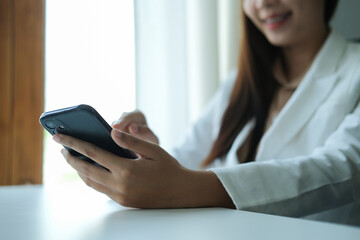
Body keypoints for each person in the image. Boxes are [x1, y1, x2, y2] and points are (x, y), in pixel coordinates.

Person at [53, 0, 360, 225]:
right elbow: (190, 159)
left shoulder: (353, 70)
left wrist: (184, 186)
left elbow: (342, 170)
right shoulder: (239, 83)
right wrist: (145, 155)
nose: (264, 3)